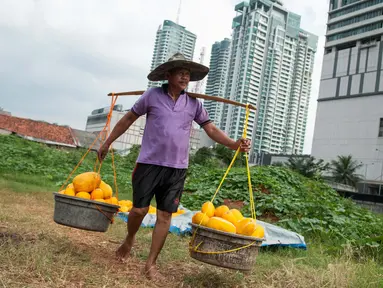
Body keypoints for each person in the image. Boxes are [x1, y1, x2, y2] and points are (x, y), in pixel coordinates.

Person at [97, 52, 251, 281]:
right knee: (139, 210)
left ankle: (150, 264)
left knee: (165, 216)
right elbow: (128, 119)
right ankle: (129, 239)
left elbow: (210, 129)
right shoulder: (151, 96)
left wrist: (233, 144)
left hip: (177, 168)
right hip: (148, 163)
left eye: (188, 74)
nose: (185, 77)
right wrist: (107, 142)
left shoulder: (193, 104)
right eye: (180, 72)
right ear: (168, 74)